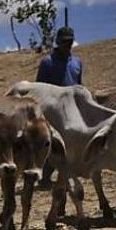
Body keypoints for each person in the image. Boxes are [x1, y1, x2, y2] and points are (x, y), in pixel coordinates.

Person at [36, 27, 82, 191]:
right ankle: (46, 176)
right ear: (58, 41)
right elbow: (39, 87)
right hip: (52, 110)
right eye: (64, 42)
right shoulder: (47, 62)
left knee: (69, 142)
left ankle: (67, 173)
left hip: (72, 109)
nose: (67, 45)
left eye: (70, 41)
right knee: (51, 142)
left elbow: (79, 87)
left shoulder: (77, 63)